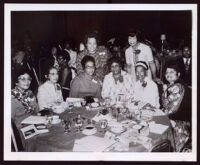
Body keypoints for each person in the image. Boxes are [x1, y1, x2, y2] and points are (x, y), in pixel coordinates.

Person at [162, 64, 191, 152]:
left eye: (171, 72)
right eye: (166, 72)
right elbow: (166, 104)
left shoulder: (178, 87)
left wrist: (159, 114)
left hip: (179, 125)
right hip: (175, 120)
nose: (168, 74)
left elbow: (171, 109)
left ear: (178, 74)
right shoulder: (173, 85)